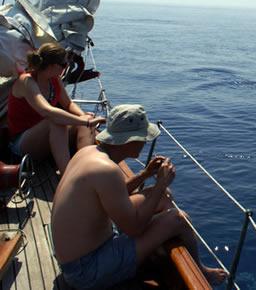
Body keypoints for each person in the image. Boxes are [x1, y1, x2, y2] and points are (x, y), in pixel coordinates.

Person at [51, 104, 227, 289]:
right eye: (144, 137)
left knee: (162, 197)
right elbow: (133, 228)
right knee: (179, 220)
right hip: (86, 271)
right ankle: (199, 272)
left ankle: (158, 248)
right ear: (131, 140)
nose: (146, 142)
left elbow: (113, 193)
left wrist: (145, 174)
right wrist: (160, 184)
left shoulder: (88, 153)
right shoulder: (106, 170)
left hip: (75, 259)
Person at [7, 43, 105, 173]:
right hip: (21, 142)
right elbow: (47, 111)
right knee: (55, 122)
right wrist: (85, 122)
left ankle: (85, 167)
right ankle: (68, 175)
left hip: (46, 137)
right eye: (64, 64)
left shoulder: (54, 79)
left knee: (84, 120)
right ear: (52, 66)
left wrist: (85, 118)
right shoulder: (27, 81)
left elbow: (68, 104)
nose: (67, 67)